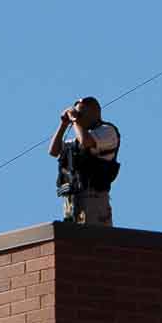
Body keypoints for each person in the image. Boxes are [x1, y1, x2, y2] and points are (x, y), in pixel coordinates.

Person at [48, 96, 120, 226]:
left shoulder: (107, 131)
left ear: (95, 113)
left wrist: (75, 120)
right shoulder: (80, 137)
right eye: (76, 113)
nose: (78, 117)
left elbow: (86, 142)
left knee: (93, 239)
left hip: (94, 198)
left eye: (81, 113)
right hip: (72, 200)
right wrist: (63, 124)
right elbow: (53, 151)